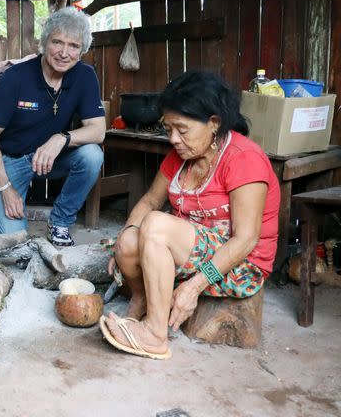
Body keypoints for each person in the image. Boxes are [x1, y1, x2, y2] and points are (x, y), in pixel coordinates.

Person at [99, 71, 280, 360]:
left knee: (156, 226)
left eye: (182, 130)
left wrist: (194, 286)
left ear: (214, 124)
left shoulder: (244, 158)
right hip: (193, 249)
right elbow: (149, 200)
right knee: (129, 239)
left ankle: (156, 335)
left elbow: (246, 240)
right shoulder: (180, 157)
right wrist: (125, 239)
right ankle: (143, 298)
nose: (173, 139)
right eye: (168, 128)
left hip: (239, 264)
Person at [0, 6, 106, 246]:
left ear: (82, 51)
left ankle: (60, 221)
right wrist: (5, 188)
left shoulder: (85, 75)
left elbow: (98, 130)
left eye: (73, 46)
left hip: (49, 158)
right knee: (15, 243)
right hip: (11, 162)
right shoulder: (15, 77)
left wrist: (61, 138)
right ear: (44, 42)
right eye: (57, 42)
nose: (64, 53)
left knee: (91, 155)